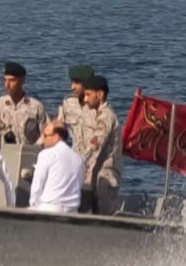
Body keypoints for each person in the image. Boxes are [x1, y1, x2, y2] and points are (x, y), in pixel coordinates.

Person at [74, 75, 122, 215]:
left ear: (100, 95)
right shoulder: (97, 115)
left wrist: (76, 162)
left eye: (88, 95)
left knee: (103, 219)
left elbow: (95, 145)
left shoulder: (106, 117)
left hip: (105, 179)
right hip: (94, 177)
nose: (85, 99)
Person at [26, 120, 85, 213]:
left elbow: (37, 185)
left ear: (56, 137)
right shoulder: (78, 159)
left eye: (45, 135)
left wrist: (33, 206)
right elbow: (79, 185)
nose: (43, 139)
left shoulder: (46, 154)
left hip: (49, 209)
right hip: (72, 211)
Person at [0, 61, 48, 145]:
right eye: (5, 80)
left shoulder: (36, 106)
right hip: (5, 151)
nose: (7, 85)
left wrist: (35, 148)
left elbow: (46, 133)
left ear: (22, 81)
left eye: (12, 80)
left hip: (29, 151)